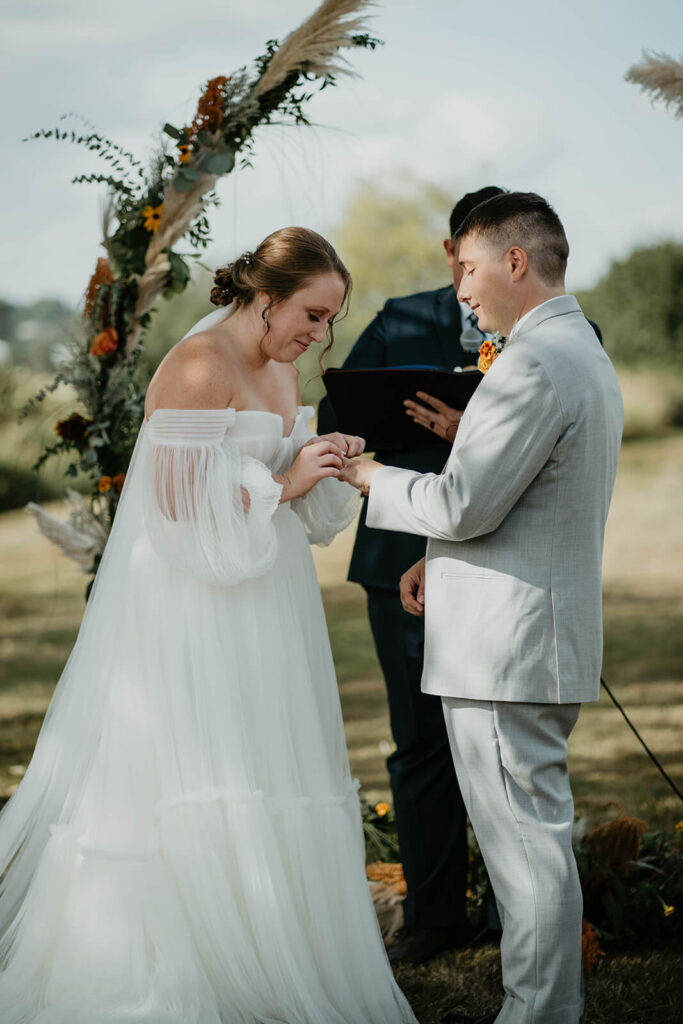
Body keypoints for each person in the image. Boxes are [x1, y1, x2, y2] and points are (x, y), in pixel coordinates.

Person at [0, 227, 417, 1024]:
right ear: (265, 298)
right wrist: (285, 483)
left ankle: (270, 951)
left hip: (268, 594)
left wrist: (320, 456)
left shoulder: (280, 365)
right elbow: (172, 509)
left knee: (270, 758)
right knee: (201, 764)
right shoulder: (197, 366)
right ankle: (176, 971)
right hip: (196, 604)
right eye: (311, 314)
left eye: (329, 319)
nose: (318, 335)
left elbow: (276, 480)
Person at [340, 193, 624, 1024]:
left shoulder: (529, 364)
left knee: (522, 850)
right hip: (530, 630)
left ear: (514, 261)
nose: (458, 289)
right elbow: (517, 496)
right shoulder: (575, 348)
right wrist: (439, 556)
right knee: (532, 838)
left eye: (465, 267)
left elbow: (465, 504)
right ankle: (546, 1007)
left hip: (503, 645)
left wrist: (369, 479)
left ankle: (535, 1014)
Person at [317, 186, 507, 965]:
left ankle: (513, 914)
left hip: (501, 559)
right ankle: (434, 917)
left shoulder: (563, 333)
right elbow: (338, 420)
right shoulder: (399, 320)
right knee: (420, 740)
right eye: (465, 256)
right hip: (399, 557)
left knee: (501, 737)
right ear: (451, 253)